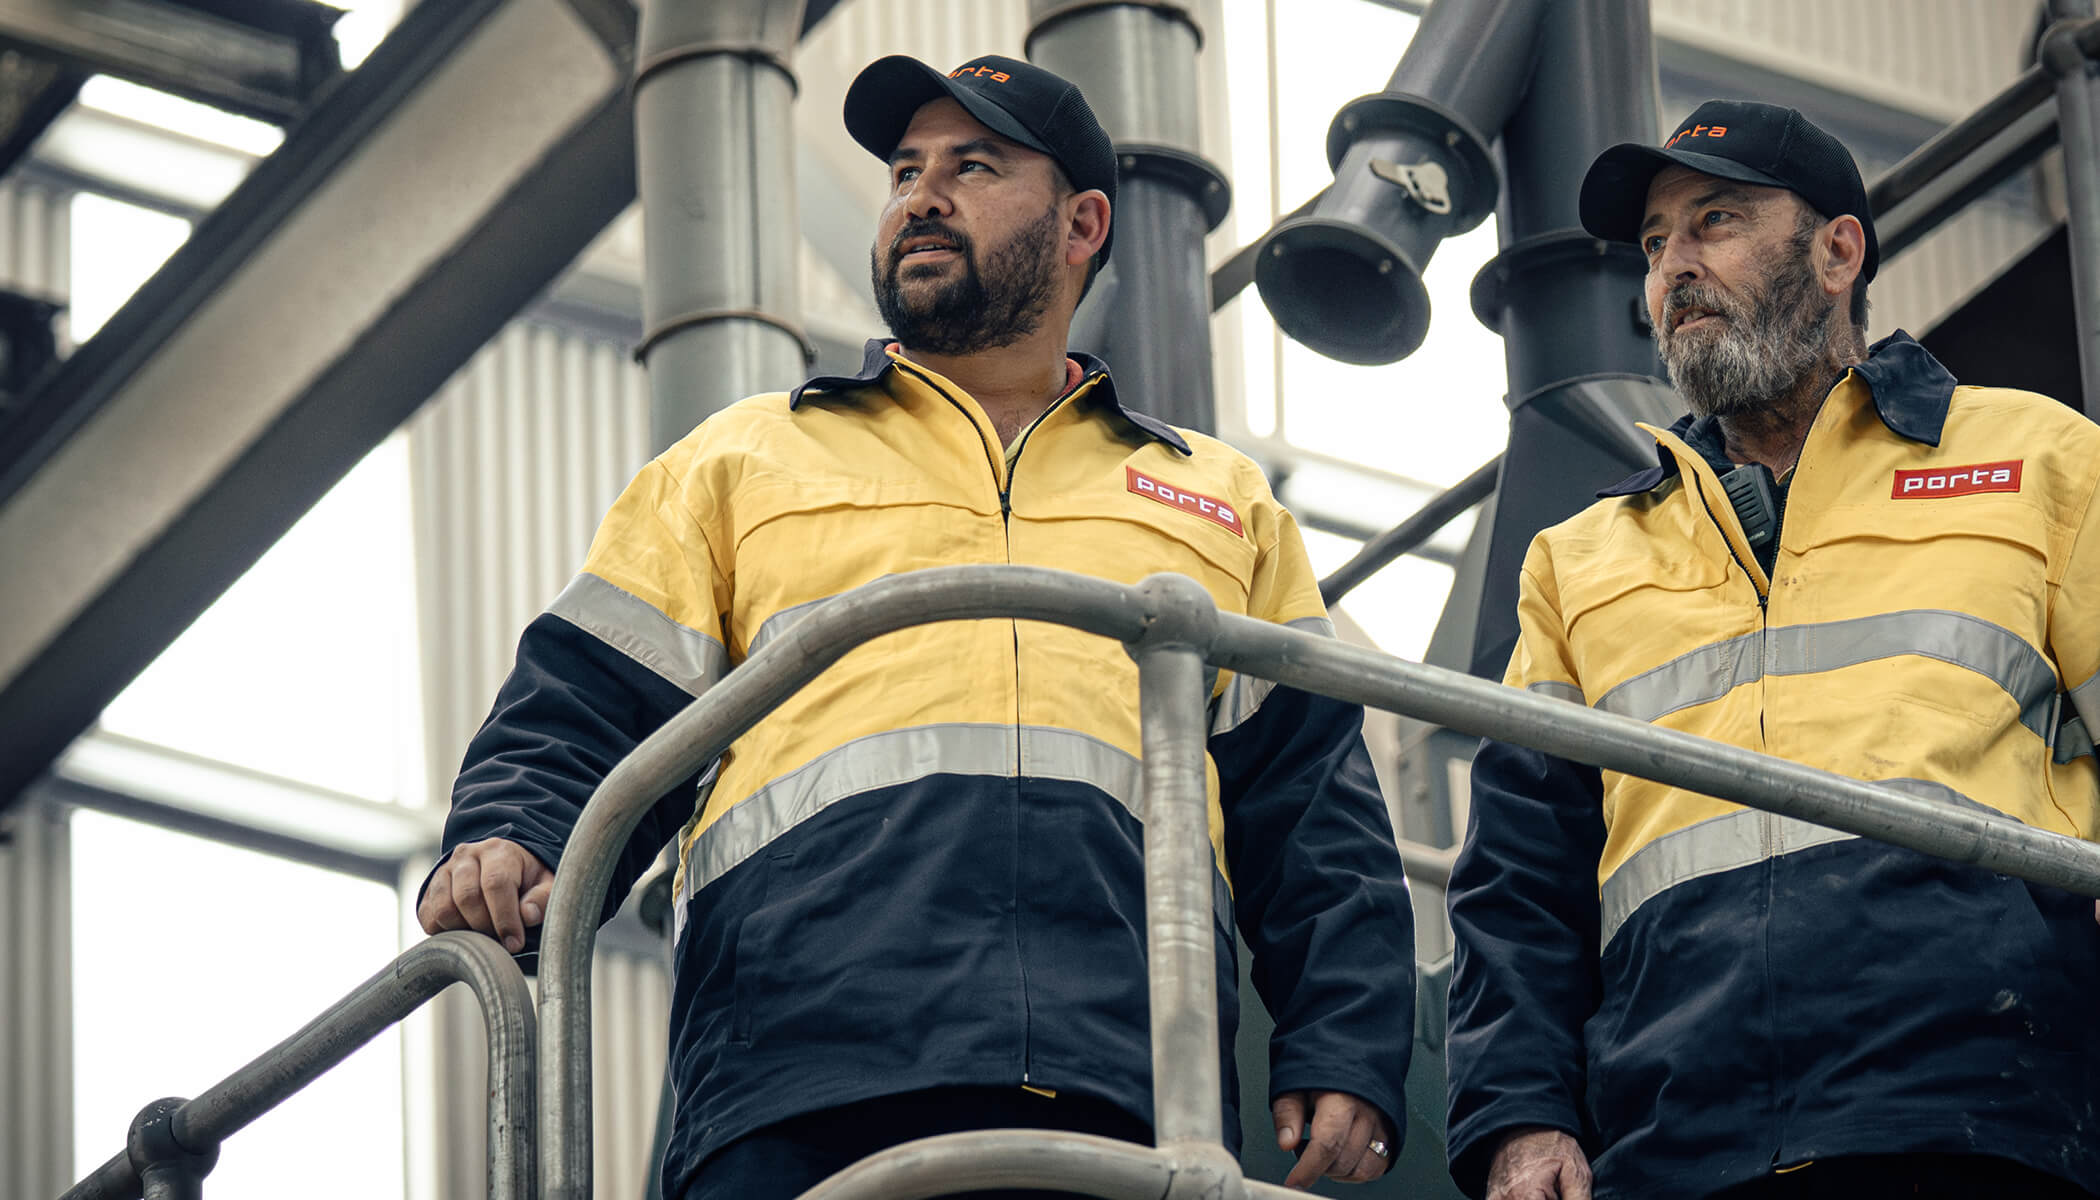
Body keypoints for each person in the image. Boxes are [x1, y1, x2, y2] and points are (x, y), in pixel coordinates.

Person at [415, 53, 1417, 1198]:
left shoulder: (1220, 500)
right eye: (903, 171)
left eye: (972, 166)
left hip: (1124, 1085)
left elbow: (1311, 805)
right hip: (796, 1087)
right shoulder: (745, 458)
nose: (919, 196)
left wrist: (1344, 1043)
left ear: (1084, 223)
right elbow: (592, 698)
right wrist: (513, 839)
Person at [1444, 99, 2100, 1200]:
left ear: (1838, 250)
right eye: (1656, 246)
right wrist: (1520, 1116)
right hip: (1678, 1146)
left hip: (1979, 1118)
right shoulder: (1582, 558)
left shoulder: (2034, 459)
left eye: (1716, 222)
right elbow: (1522, 876)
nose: (1674, 269)